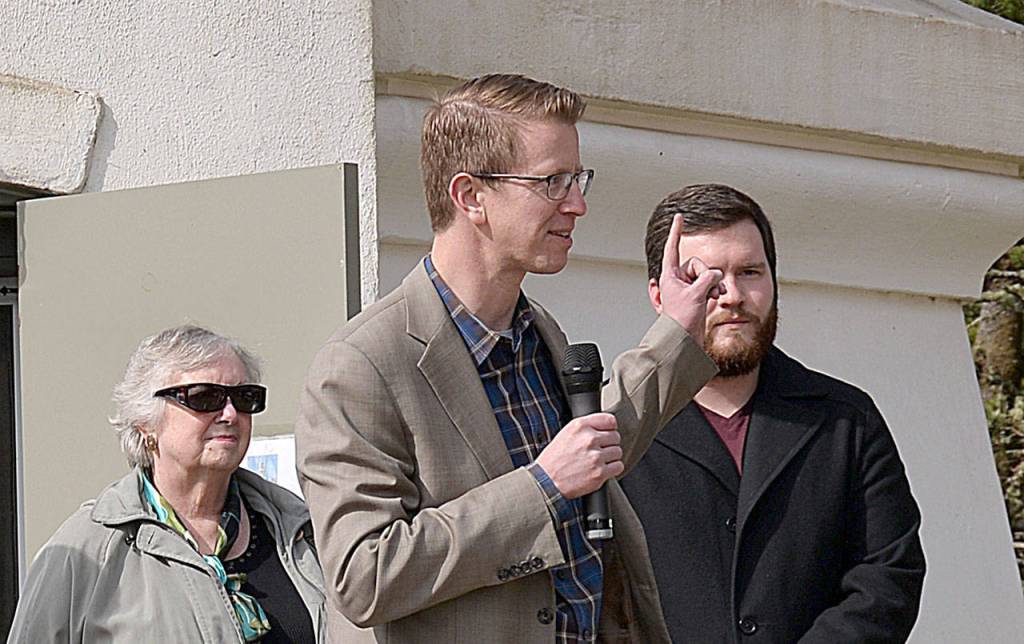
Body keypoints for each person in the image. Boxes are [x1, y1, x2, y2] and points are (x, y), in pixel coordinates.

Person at [295, 74, 723, 643]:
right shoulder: (360, 365)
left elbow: (591, 453)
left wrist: (677, 329)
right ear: (470, 196)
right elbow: (363, 576)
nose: (578, 204)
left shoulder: (536, 328)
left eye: (577, 178)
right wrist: (542, 487)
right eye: (552, 181)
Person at [621, 184, 926, 643]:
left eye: (750, 272)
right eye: (702, 278)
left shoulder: (848, 421)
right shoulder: (615, 428)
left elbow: (888, 575)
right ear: (659, 296)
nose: (731, 295)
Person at [8, 325, 326, 643]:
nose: (230, 413)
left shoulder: (297, 529)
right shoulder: (86, 552)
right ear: (146, 422)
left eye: (244, 398)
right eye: (205, 397)